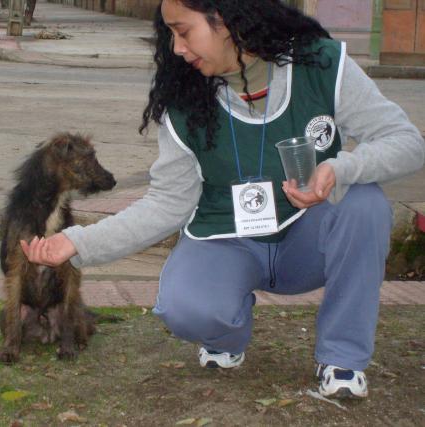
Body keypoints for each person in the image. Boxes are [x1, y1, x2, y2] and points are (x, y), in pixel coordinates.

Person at [21, 0, 425, 399]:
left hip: (308, 241)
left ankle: (343, 359)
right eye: (171, 34)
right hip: (228, 240)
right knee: (185, 309)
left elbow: (406, 142)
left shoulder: (320, 64)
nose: (177, 48)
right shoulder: (184, 101)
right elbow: (166, 204)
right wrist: (78, 242)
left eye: (183, 31)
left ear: (227, 18)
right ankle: (226, 333)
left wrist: (341, 169)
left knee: (365, 203)